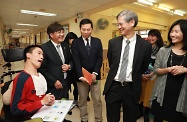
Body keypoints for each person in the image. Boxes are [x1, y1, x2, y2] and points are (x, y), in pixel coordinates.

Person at [103, 9, 152, 122]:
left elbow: (143, 67)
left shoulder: (145, 46)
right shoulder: (113, 43)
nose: (118, 27)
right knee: (112, 119)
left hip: (132, 88)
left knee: (130, 119)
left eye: (121, 24)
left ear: (132, 22)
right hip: (113, 87)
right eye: (117, 24)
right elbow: (112, 63)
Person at [150, 19, 187, 121]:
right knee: (158, 118)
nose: (172, 34)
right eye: (171, 31)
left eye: (176, 31)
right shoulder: (163, 50)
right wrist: (168, 69)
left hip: (182, 97)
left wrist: (185, 70)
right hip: (162, 94)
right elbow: (156, 70)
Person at [10, 45, 55, 121]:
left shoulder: (41, 76)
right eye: (39, 53)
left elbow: (39, 97)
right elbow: (15, 110)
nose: (42, 57)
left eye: (42, 55)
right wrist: (42, 102)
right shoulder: (22, 79)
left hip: (44, 113)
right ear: (28, 55)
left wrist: (48, 100)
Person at [39, 22, 73, 122]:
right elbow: (42, 69)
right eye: (59, 32)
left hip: (65, 83)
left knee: (63, 108)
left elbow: (70, 60)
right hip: (53, 86)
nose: (62, 34)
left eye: (63, 32)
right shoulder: (44, 48)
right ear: (51, 35)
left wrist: (69, 66)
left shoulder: (65, 46)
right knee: (52, 111)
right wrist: (54, 81)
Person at [71, 18, 103, 122]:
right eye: (84, 29)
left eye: (88, 29)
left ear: (92, 29)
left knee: (97, 100)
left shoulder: (97, 42)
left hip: (95, 77)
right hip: (81, 78)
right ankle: (84, 119)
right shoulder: (75, 43)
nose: (86, 32)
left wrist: (95, 73)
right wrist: (81, 75)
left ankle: (99, 119)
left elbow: (99, 58)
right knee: (82, 100)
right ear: (80, 29)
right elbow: (76, 60)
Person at [140, 29, 164, 122]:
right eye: (150, 35)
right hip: (142, 75)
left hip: (154, 76)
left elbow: (160, 65)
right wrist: (142, 74)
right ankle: (140, 112)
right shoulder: (144, 47)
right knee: (141, 94)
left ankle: (146, 114)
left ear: (157, 37)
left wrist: (151, 74)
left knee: (149, 96)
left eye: (153, 36)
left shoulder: (161, 49)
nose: (151, 38)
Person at [64, 32, 79, 105]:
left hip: (75, 71)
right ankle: (66, 103)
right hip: (67, 71)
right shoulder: (64, 47)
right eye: (72, 40)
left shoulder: (76, 47)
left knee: (76, 86)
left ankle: (76, 100)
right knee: (66, 87)